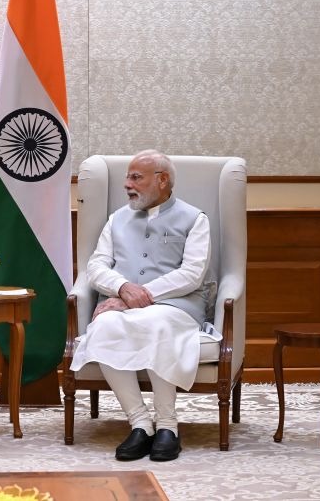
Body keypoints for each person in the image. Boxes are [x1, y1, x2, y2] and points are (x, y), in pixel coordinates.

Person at [70, 149, 211, 462]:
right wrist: (122, 288)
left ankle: (168, 426)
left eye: (136, 177)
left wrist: (137, 295)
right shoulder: (116, 220)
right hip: (121, 305)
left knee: (156, 322)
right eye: (127, 177)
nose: (127, 184)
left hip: (176, 306)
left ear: (162, 180)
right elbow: (96, 266)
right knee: (103, 326)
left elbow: (192, 273)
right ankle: (140, 424)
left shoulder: (195, 219)